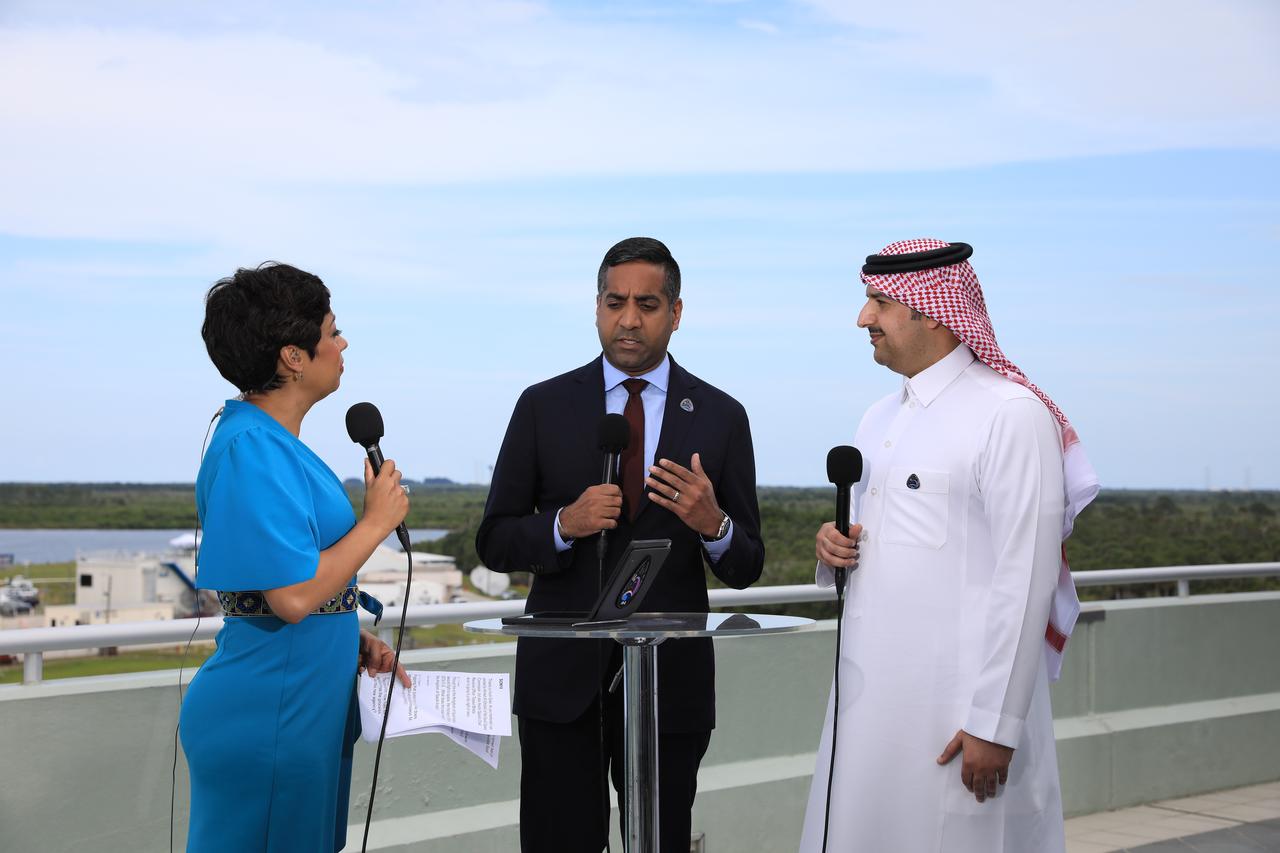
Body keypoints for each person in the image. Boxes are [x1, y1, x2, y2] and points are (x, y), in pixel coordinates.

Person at [799, 239, 1099, 853]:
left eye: (879, 302)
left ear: (930, 310)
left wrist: (996, 723)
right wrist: (835, 550)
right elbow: (874, 544)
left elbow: (1028, 578)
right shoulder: (878, 418)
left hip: (958, 714)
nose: (864, 319)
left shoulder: (1010, 414)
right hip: (871, 706)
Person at [476, 237, 766, 853]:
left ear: (676, 312)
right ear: (597, 306)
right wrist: (564, 524)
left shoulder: (719, 416)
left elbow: (748, 565)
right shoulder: (542, 405)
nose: (629, 319)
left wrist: (713, 524)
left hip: (670, 692)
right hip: (561, 692)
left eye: (648, 304)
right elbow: (494, 539)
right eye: (615, 302)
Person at [180, 262, 411, 853]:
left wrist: (347, 633)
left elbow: (290, 587)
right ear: (294, 356)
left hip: (304, 702)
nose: (343, 343)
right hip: (269, 713)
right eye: (332, 331)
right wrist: (376, 523)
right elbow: (291, 596)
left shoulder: (273, 443)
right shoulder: (253, 445)